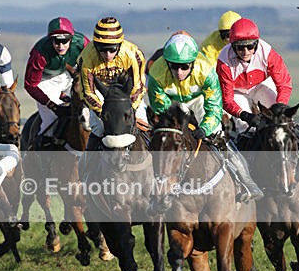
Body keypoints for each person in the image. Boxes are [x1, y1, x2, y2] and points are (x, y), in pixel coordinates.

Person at [148, 30, 263, 202]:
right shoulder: (156, 73)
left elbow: (214, 107)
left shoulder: (207, 70)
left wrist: (205, 128)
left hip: (199, 101)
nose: (179, 72)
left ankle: (245, 180)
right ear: (166, 63)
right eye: (173, 66)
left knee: (217, 135)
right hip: (172, 104)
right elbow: (162, 109)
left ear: (193, 63)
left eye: (185, 66)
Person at [216, 17, 299, 180]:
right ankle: (245, 172)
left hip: (260, 86)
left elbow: (284, 83)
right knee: (243, 125)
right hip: (237, 92)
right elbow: (227, 99)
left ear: (256, 44)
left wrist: (280, 107)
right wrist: (245, 115)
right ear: (232, 46)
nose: (245, 52)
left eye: (250, 47)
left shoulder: (268, 53)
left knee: (284, 120)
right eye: (240, 48)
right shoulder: (224, 60)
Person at [79, 16, 147, 149]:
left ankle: (154, 165)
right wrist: (104, 111)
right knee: (98, 129)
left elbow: (138, 87)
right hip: (100, 94)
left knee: (143, 124)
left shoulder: (133, 55)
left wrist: (130, 108)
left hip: (126, 95)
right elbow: (88, 93)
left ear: (119, 45)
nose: (108, 55)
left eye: (112, 49)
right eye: (102, 49)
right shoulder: (86, 58)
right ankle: (87, 165)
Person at [24, 17, 89, 147]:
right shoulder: (40, 52)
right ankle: (40, 145)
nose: (60, 46)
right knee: (51, 119)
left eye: (65, 41)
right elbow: (30, 84)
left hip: (68, 75)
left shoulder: (82, 43)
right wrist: (52, 106)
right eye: (56, 41)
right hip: (45, 81)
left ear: (71, 38)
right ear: (50, 39)